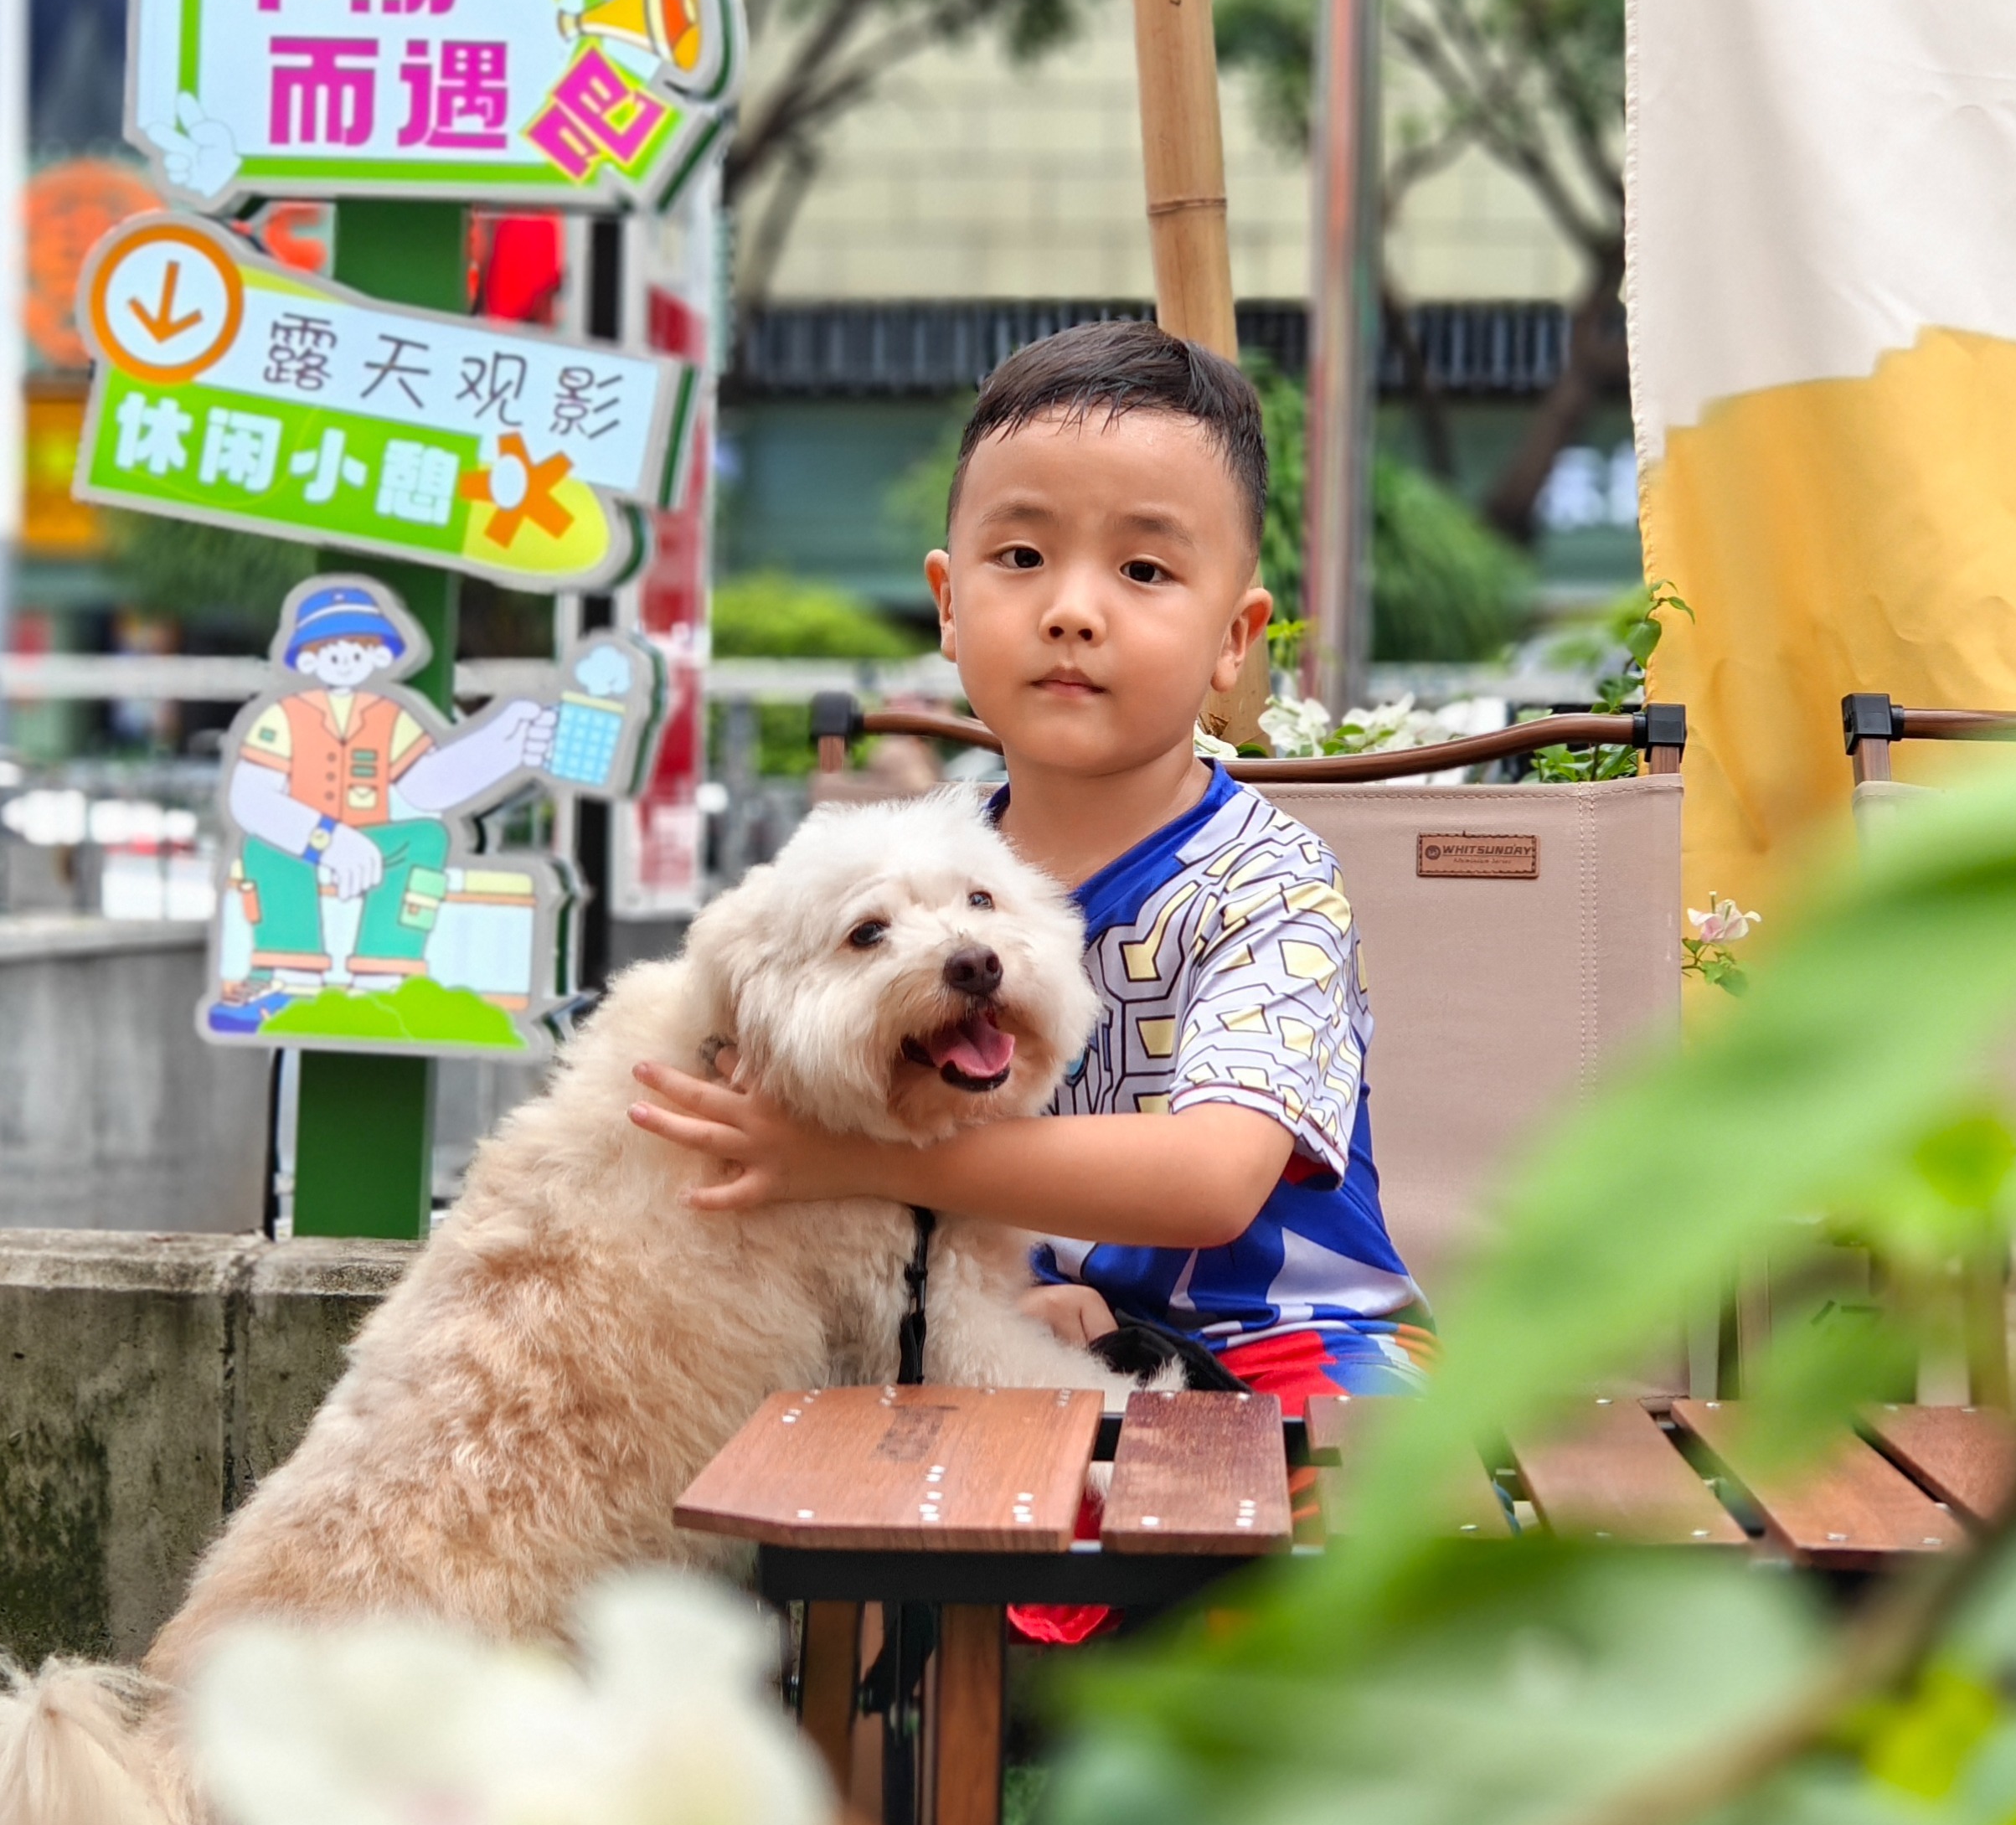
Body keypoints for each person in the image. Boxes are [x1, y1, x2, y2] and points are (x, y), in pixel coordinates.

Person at [630, 319, 1429, 1419]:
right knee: (839, 1464)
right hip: (1010, 1324)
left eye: (1143, 568)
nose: (1069, 609)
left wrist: (860, 1164)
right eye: (1020, 558)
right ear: (950, 604)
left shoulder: (1268, 882)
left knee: (1370, 1519)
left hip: (1287, 1346)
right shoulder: (917, 856)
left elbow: (1209, 1177)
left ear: (1234, 640)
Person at [213, 585, 554, 1031]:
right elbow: (252, 799)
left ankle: (385, 974)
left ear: (377, 657)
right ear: (308, 659)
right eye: (329, 647)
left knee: (428, 837)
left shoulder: (388, 716)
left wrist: (503, 749)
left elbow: (428, 787)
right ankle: (289, 975)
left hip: (375, 842)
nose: (345, 656)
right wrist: (326, 840)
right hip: (299, 847)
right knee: (264, 850)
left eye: (360, 646)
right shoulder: (283, 717)